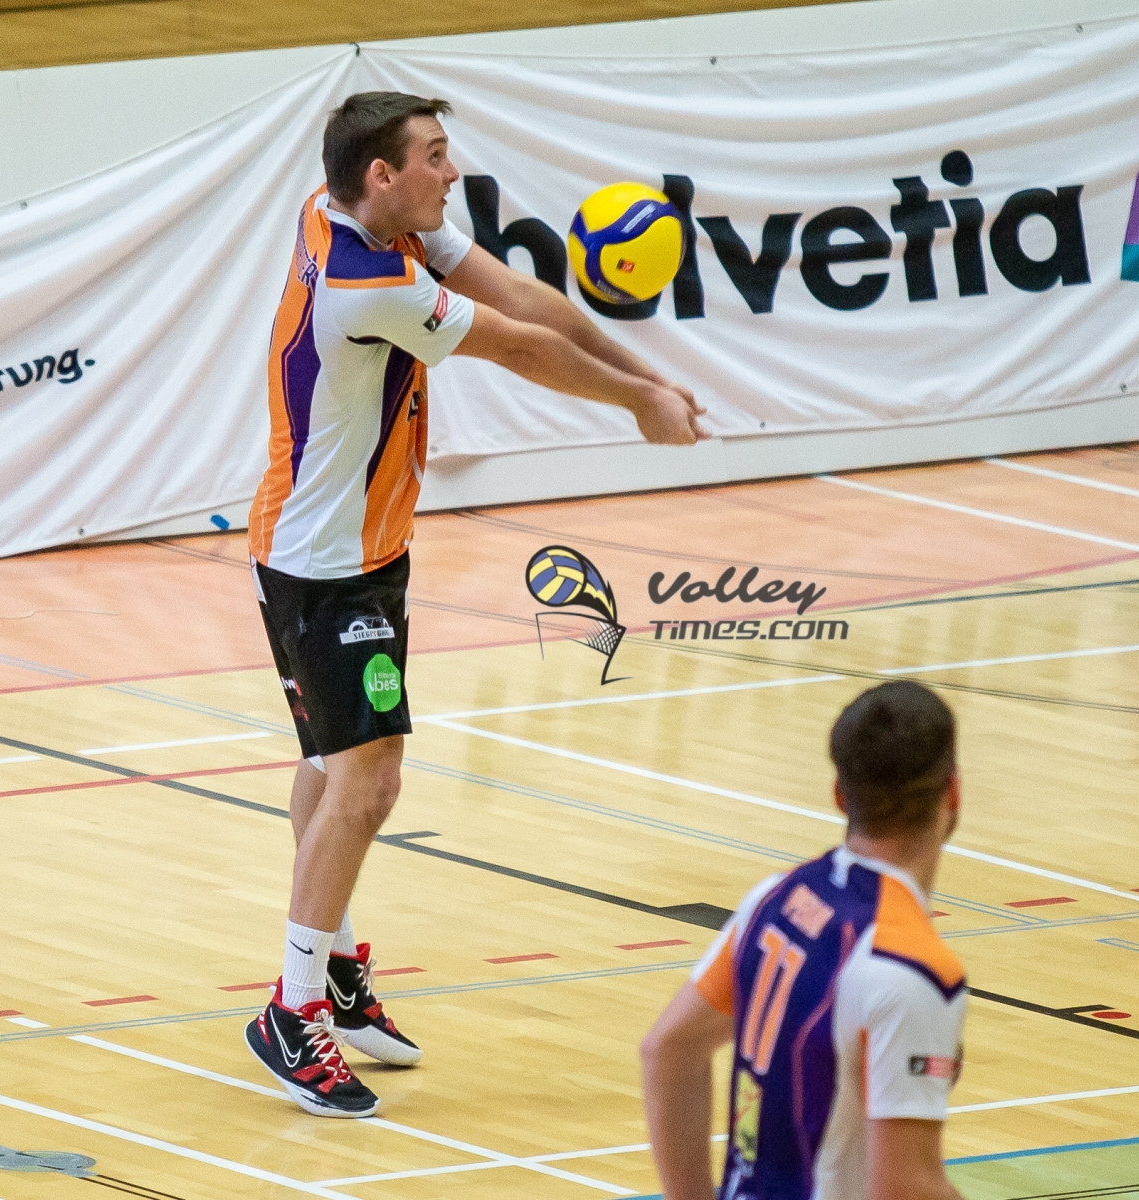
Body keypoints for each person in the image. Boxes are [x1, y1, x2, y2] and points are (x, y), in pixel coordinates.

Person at [243, 91, 706, 1118]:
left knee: (331, 767)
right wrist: (636, 403)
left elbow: (524, 297)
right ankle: (293, 1009)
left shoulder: (351, 216)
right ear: (383, 174)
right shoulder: (366, 281)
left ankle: (333, 974)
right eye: (436, 156)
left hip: (348, 546)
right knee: (371, 778)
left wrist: (649, 378)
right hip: (325, 566)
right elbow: (515, 345)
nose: (452, 174)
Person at [641, 681, 969, 1199]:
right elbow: (906, 1187)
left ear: (840, 794)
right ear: (953, 792)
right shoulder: (911, 967)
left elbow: (669, 1050)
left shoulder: (775, 899)